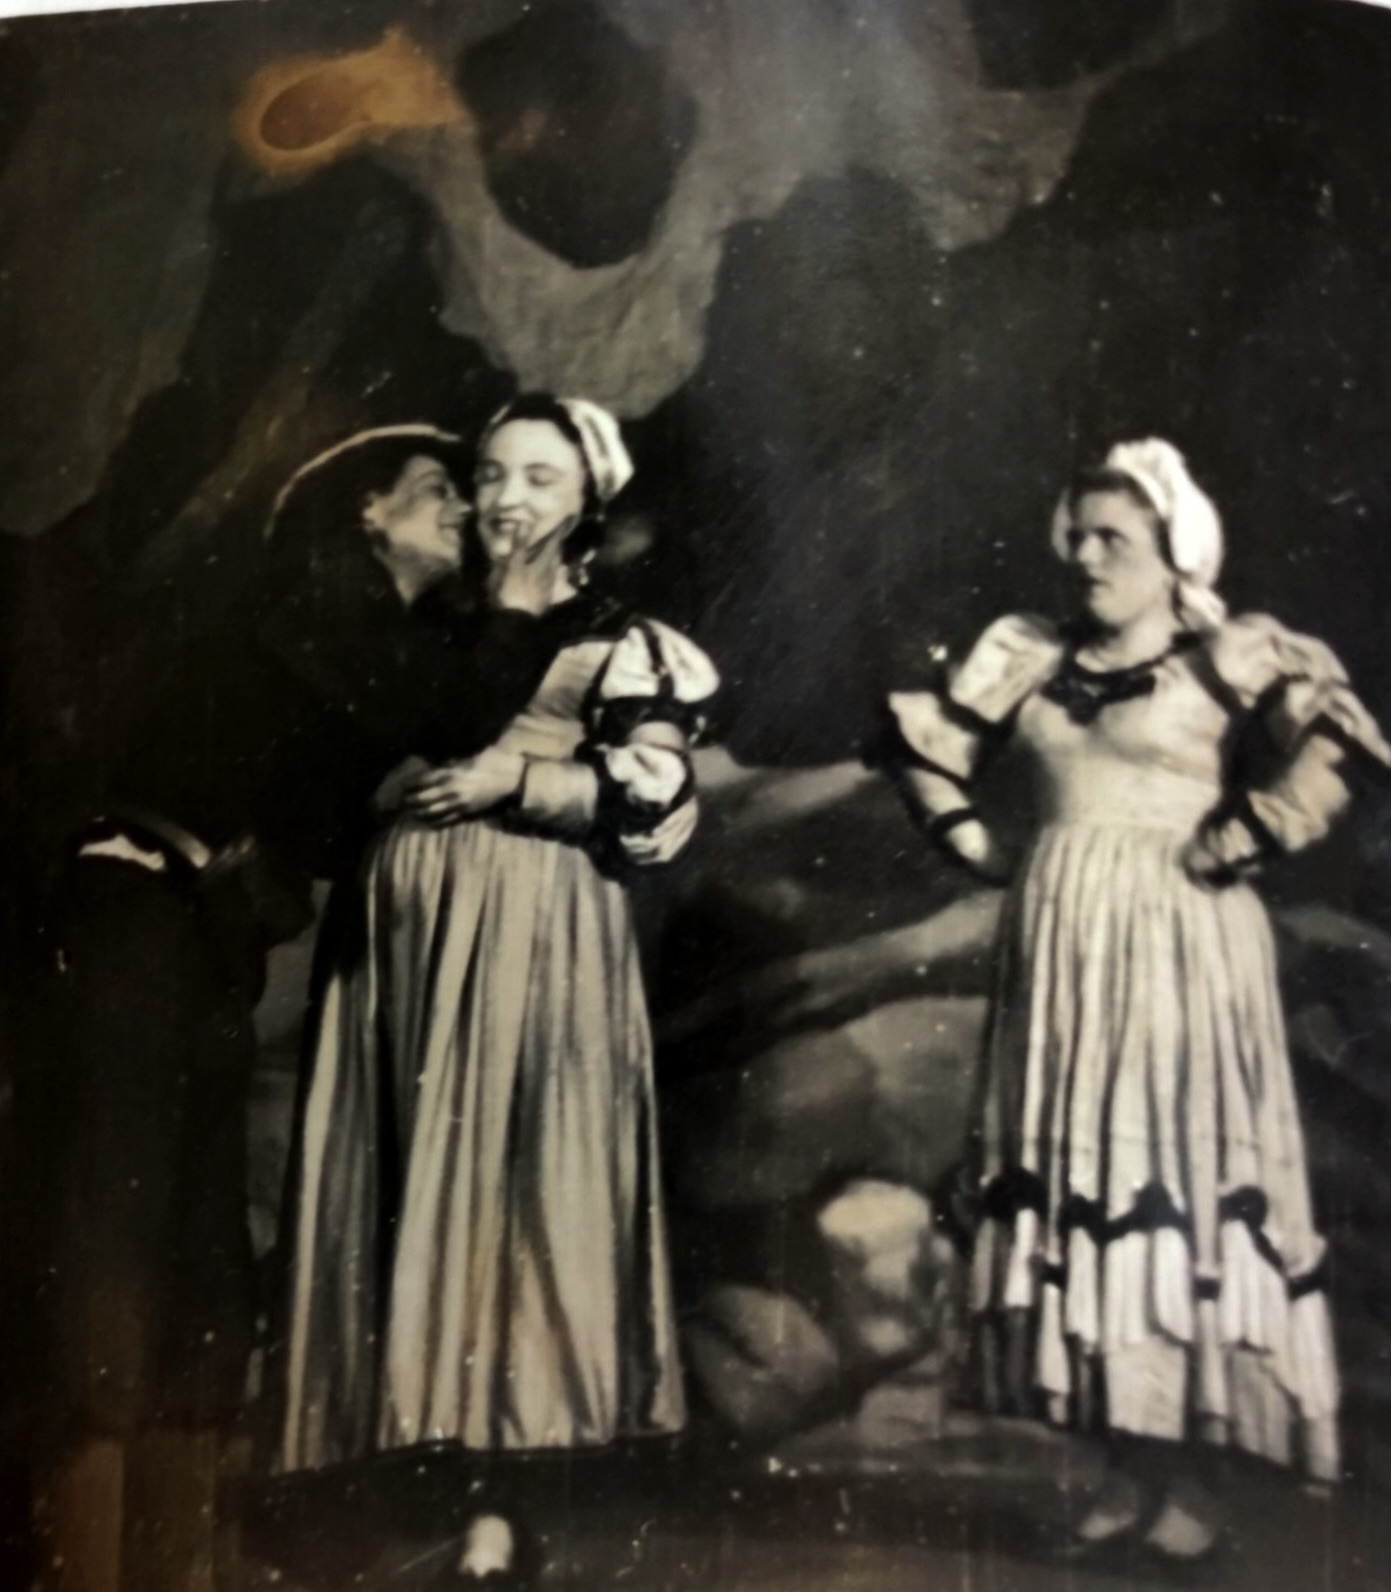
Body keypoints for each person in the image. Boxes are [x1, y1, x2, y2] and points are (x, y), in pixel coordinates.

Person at [20, 425, 566, 1592]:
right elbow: (448, 708)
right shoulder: (310, 612)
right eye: (438, 490)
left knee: (197, 1263)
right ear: (364, 511)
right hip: (130, 927)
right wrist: (520, 607)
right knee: (114, 1252)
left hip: (199, 947)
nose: (465, 511)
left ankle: (166, 1565)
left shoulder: (359, 643)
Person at [882, 439, 1389, 1565]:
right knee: (1083, 1190)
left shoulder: (1225, 656)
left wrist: (1243, 833)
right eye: (1075, 535)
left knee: (1166, 1187)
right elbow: (925, 750)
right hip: (1062, 957)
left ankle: (1187, 1488)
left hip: (1176, 949)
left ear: (1174, 552)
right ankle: (1124, 1469)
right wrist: (974, 841)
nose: (1086, 555)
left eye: (1113, 537)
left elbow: (1337, 745)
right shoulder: (1029, 656)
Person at [278, 393, 718, 1585]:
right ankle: (396, 1479)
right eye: (490, 474)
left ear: (588, 501)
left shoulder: (624, 641)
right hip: (404, 936)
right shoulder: (421, 624)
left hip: (532, 924)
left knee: (511, 1192)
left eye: (537, 476)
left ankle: (497, 1500)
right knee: (406, 1181)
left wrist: (515, 784)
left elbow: (659, 805)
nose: (506, 498)